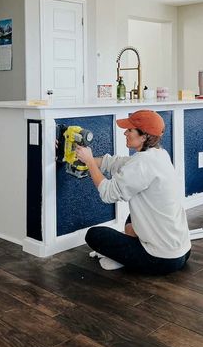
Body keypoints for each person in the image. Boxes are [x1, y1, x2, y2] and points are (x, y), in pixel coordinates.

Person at [75, 109, 191, 273]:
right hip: (183, 251)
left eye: (130, 130)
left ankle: (130, 257)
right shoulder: (159, 155)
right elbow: (119, 163)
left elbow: (108, 193)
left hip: (161, 259)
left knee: (94, 235)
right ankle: (133, 250)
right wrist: (84, 158)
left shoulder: (142, 164)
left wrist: (89, 162)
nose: (125, 133)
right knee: (132, 217)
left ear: (144, 137)